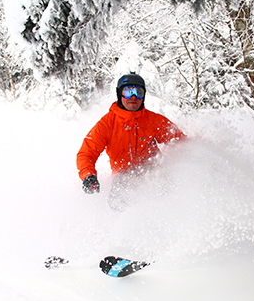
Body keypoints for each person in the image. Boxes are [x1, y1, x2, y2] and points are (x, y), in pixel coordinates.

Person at [76, 73, 186, 208]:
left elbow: (181, 142)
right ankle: (122, 226)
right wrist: (88, 176)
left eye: (138, 92)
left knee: (168, 194)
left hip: (152, 171)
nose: (133, 97)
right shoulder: (107, 123)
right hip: (123, 176)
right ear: (119, 94)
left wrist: (195, 159)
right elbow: (87, 153)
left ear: (143, 96)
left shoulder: (154, 120)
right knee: (118, 202)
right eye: (128, 92)